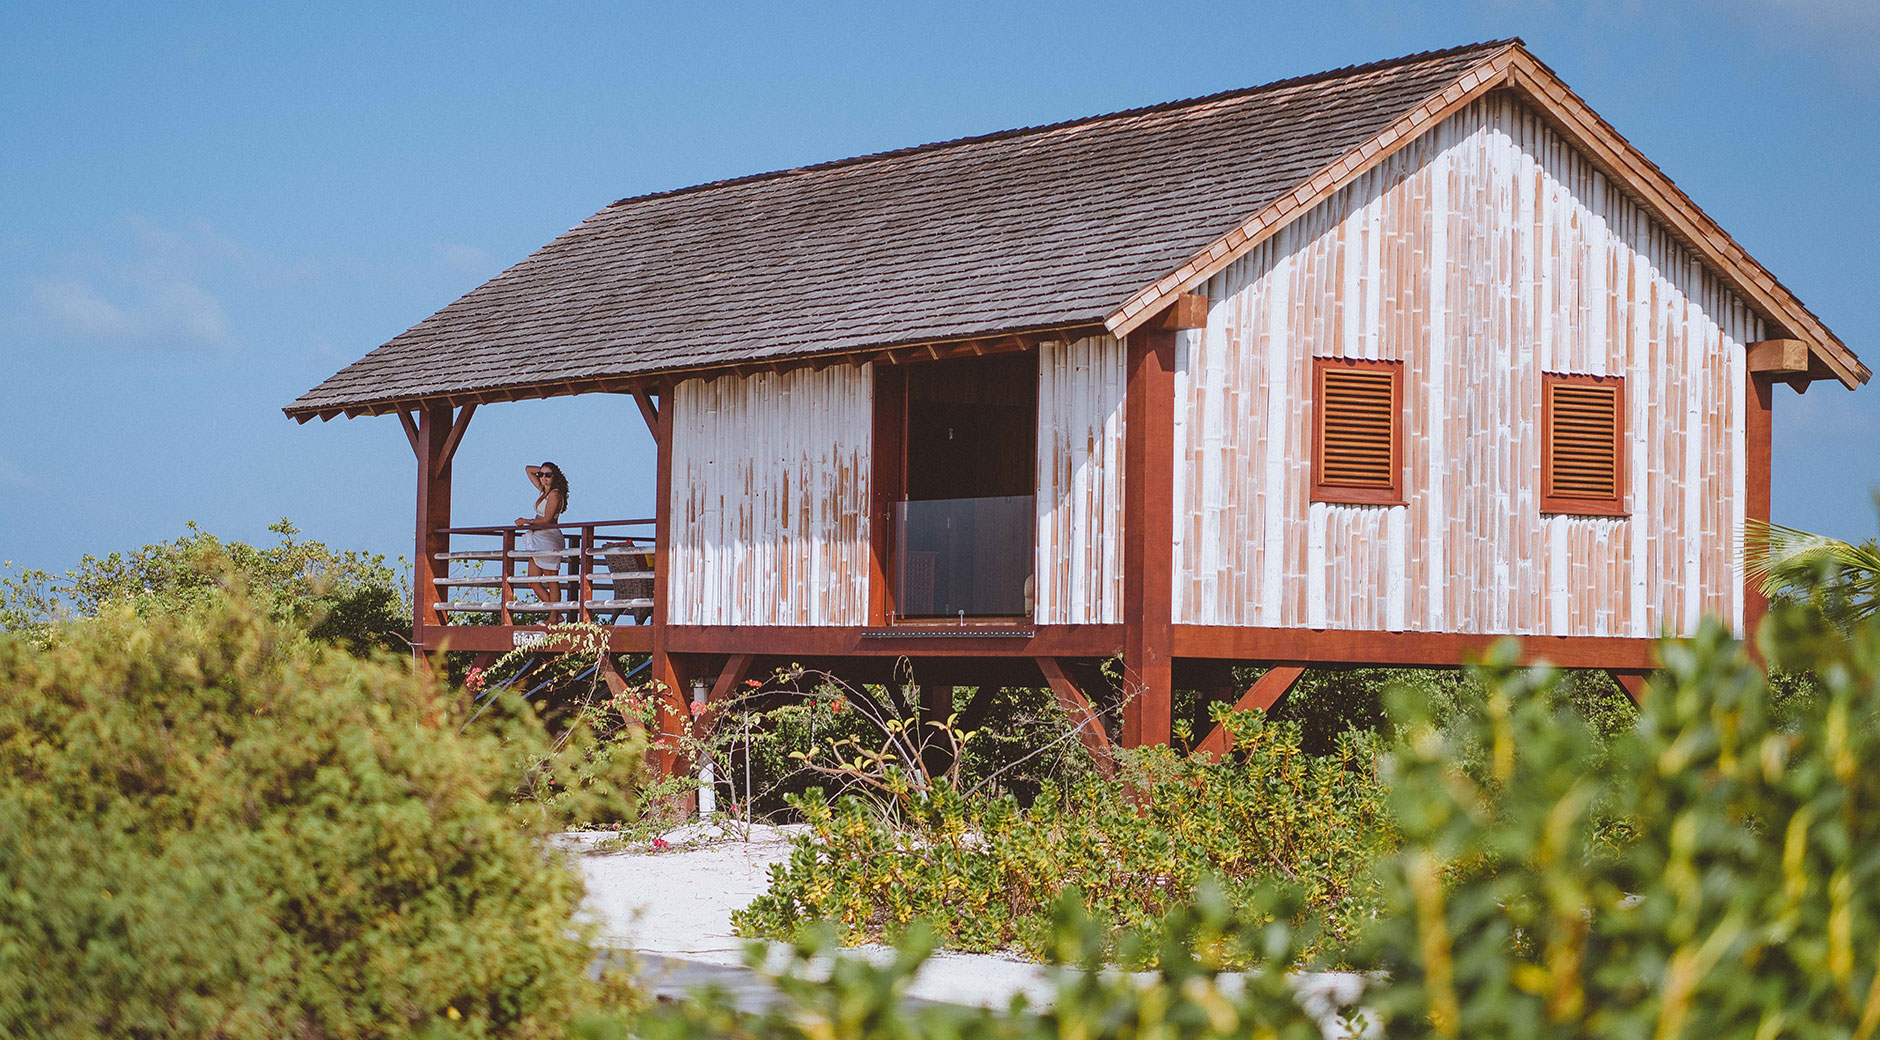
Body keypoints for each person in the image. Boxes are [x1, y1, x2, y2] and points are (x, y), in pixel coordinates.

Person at [516, 462, 569, 621]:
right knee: (533, 580)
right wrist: (543, 471)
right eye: (541, 475)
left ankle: (553, 616)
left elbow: (547, 520)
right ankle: (556, 614)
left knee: (551, 578)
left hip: (549, 537)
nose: (543, 478)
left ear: (555, 477)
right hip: (537, 538)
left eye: (548, 475)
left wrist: (527, 521)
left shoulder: (554, 494)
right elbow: (527, 469)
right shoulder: (543, 491)